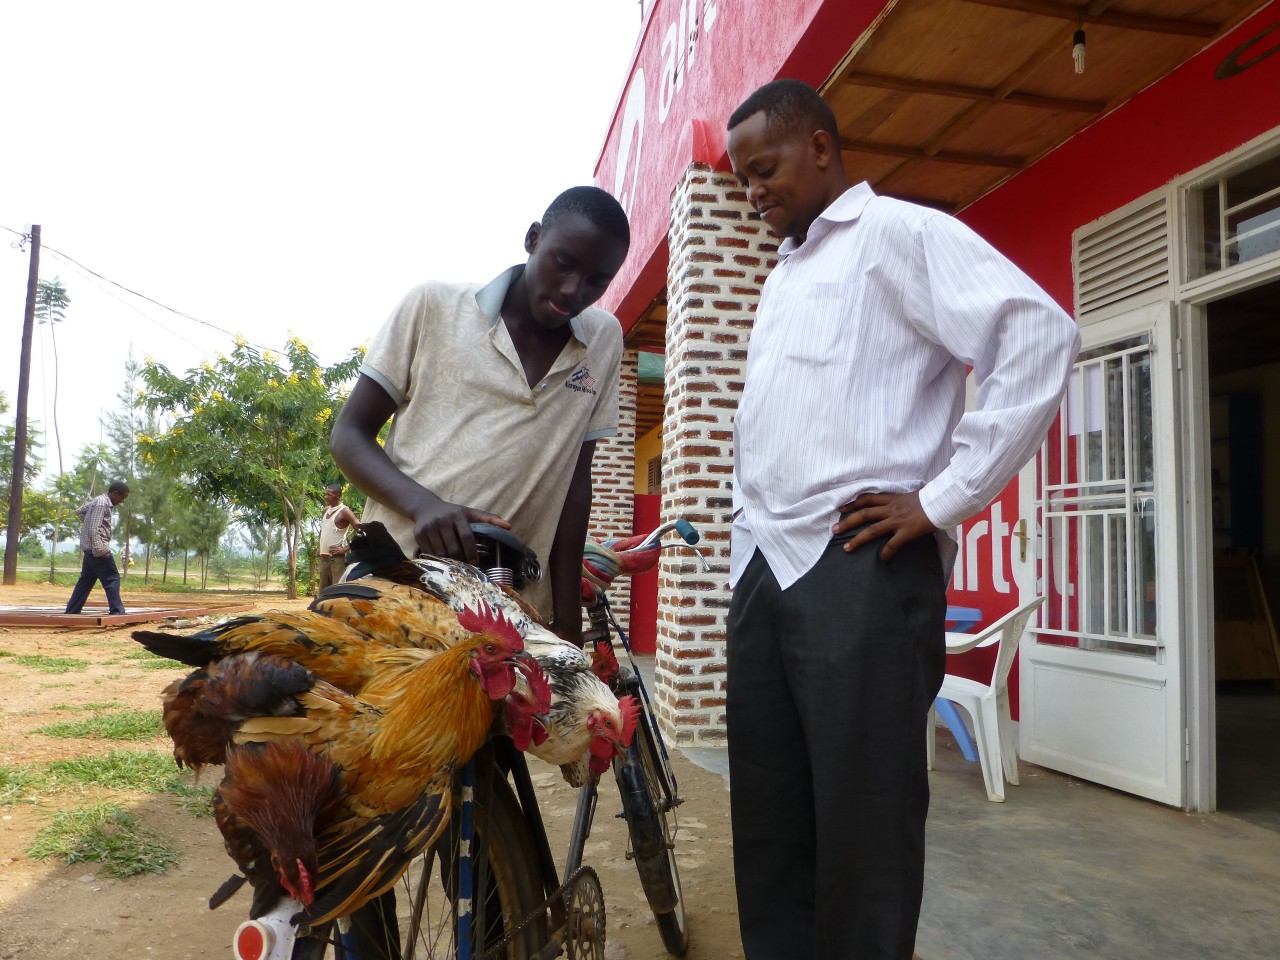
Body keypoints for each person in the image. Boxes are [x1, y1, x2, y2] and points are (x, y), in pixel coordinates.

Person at [722, 79, 1080, 960]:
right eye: (740, 180)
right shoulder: (786, 270)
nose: (753, 191)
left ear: (819, 146)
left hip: (862, 565)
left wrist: (944, 497)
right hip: (764, 565)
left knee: (865, 827)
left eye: (764, 169)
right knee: (769, 816)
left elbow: (1037, 335)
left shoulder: (899, 235)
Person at [329, 184, 630, 959]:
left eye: (595, 282)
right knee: (367, 795)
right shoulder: (434, 307)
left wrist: (561, 622)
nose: (574, 292)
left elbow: (575, 487)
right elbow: (350, 436)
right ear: (532, 239)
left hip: (499, 606)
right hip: (396, 586)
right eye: (562, 265)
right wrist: (423, 504)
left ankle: (499, 937)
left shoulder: (601, 343)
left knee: (483, 787)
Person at [65, 480, 131, 616]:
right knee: (112, 578)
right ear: (114, 493)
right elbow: (94, 528)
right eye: (121, 497)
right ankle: (117, 611)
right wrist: (100, 549)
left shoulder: (98, 501)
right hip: (97, 549)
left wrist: (89, 521)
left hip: (90, 549)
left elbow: (81, 512)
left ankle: (72, 610)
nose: (121, 501)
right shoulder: (102, 503)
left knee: (86, 581)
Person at [317, 483, 358, 590]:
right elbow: (323, 531)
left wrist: (345, 549)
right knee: (323, 592)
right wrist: (319, 548)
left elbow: (361, 531)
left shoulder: (344, 511)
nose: (326, 497)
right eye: (325, 494)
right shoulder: (325, 510)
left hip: (336, 560)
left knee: (337, 590)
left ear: (338, 495)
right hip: (323, 558)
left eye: (329, 495)